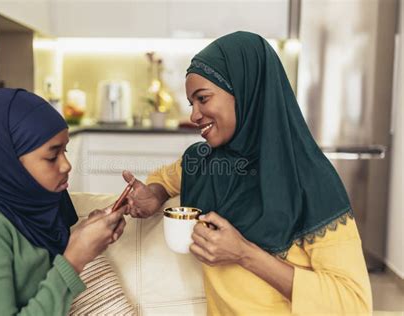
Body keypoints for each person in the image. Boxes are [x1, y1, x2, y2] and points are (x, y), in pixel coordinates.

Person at [122, 31, 372, 314]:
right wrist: (152, 196)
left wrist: (243, 253)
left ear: (245, 91)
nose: (193, 115)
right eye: (192, 103)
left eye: (203, 98)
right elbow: (163, 180)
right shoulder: (202, 163)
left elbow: (354, 304)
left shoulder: (313, 182)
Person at [0, 88, 126, 315]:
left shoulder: (41, 213)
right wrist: (75, 258)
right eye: (52, 156)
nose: (66, 165)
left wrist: (86, 236)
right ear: (5, 163)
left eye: (65, 151)